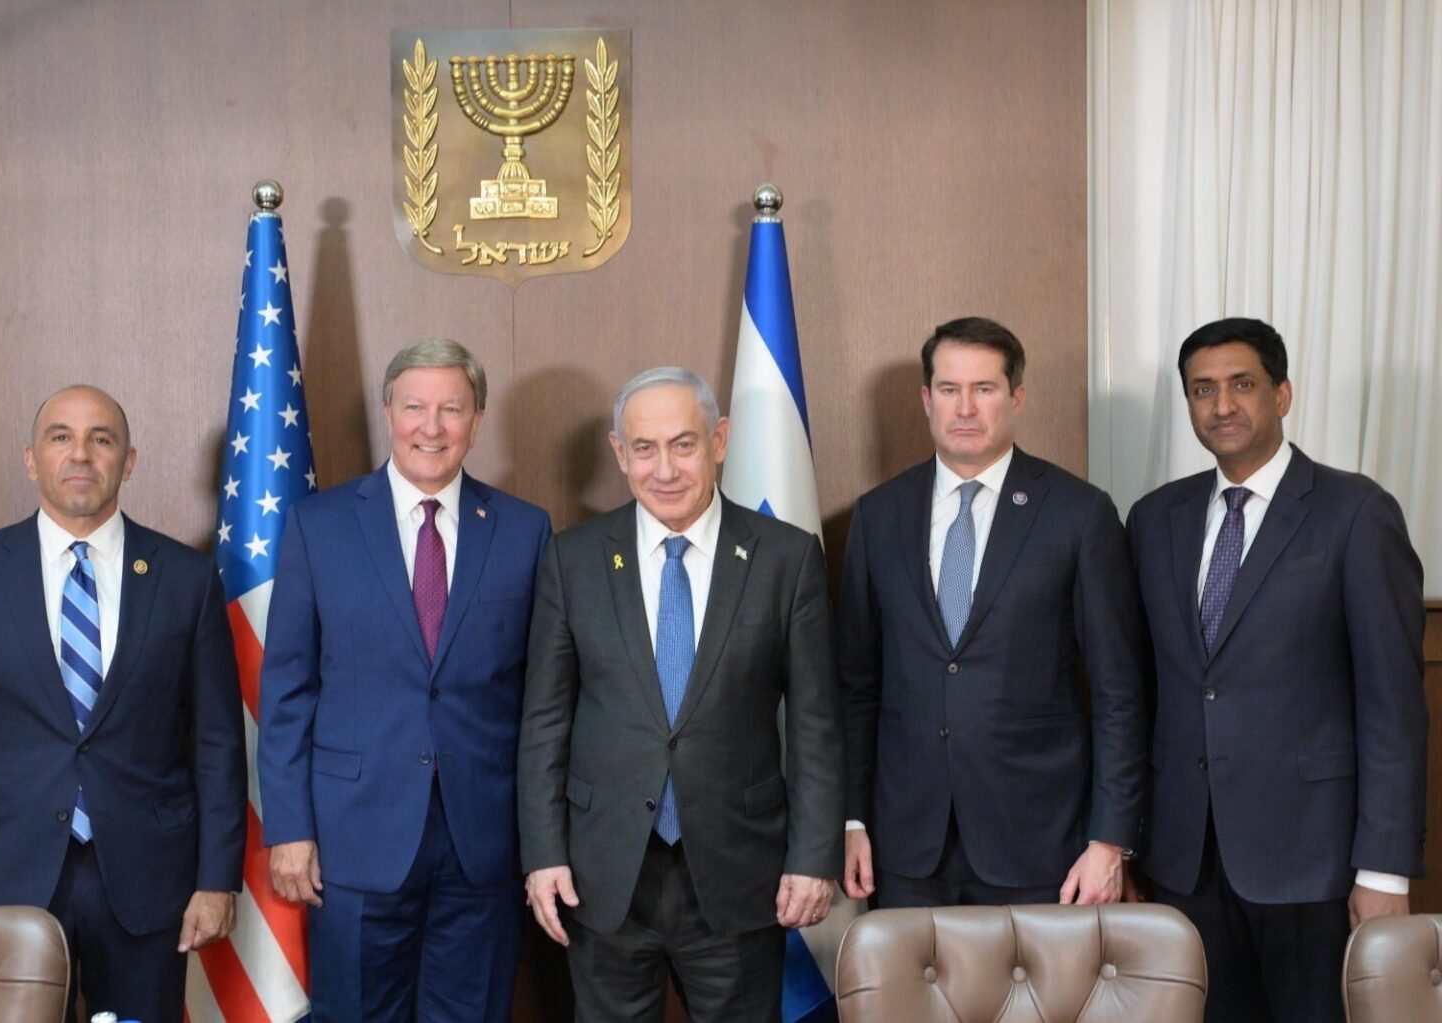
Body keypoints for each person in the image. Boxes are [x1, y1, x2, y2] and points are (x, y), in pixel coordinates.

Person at [0, 385, 246, 1022]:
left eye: (101, 439)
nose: (81, 454)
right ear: (31, 459)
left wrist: (216, 878)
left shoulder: (186, 578)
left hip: (149, 879)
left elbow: (217, 744)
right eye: (60, 437)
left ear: (129, 461)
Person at [518, 366, 844, 1022]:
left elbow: (816, 723)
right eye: (644, 448)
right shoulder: (573, 559)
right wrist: (543, 854)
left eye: (683, 444)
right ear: (620, 453)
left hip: (739, 873)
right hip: (604, 875)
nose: (664, 469)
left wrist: (814, 857)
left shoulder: (786, 558)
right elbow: (545, 722)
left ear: (719, 440)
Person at [1128, 317, 1426, 1023]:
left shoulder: (1356, 512)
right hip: (1184, 863)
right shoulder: (1153, 518)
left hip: (1313, 862)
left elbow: (1392, 706)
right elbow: (1137, 693)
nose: (1222, 405)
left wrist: (1384, 869)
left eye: (1242, 384)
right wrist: (1130, 844)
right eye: (1203, 389)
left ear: (1282, 394)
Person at [257, 339, 551, 1022]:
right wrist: (289, 827)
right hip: (353, 839)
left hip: (484, 840)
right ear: (388, 412)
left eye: (452, 409)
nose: (432, 427)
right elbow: (288, 691)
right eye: (415, 407)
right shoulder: (319, 525)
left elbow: (544, 699)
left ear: (477, 421)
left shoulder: (524, 530)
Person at [836, 317, 1146, 909]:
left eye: (984, 388)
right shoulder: (878, 516)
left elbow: (1118, 692)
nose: (965, 408)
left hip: (1040, 842)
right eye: (949, 389)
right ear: (926, 399)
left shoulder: (1078, 514)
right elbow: (855, 686)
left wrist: (1110, 840)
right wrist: (853, 818)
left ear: (1017, 397)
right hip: (905, 847)